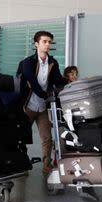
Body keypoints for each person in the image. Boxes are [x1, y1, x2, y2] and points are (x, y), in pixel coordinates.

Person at [17, 31, 67, 174]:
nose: (48, 44)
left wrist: (69, 82)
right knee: (22, 137)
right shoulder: (27, 62)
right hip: (28, 106)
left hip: (43, 106)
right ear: (36, 44)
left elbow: (58, 80)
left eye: (49, 42)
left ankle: (47, 165)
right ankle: (22, 164)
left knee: (47, 138)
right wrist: (45, 95)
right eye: (44, 41)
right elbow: (32, 83)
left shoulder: (52, 62)